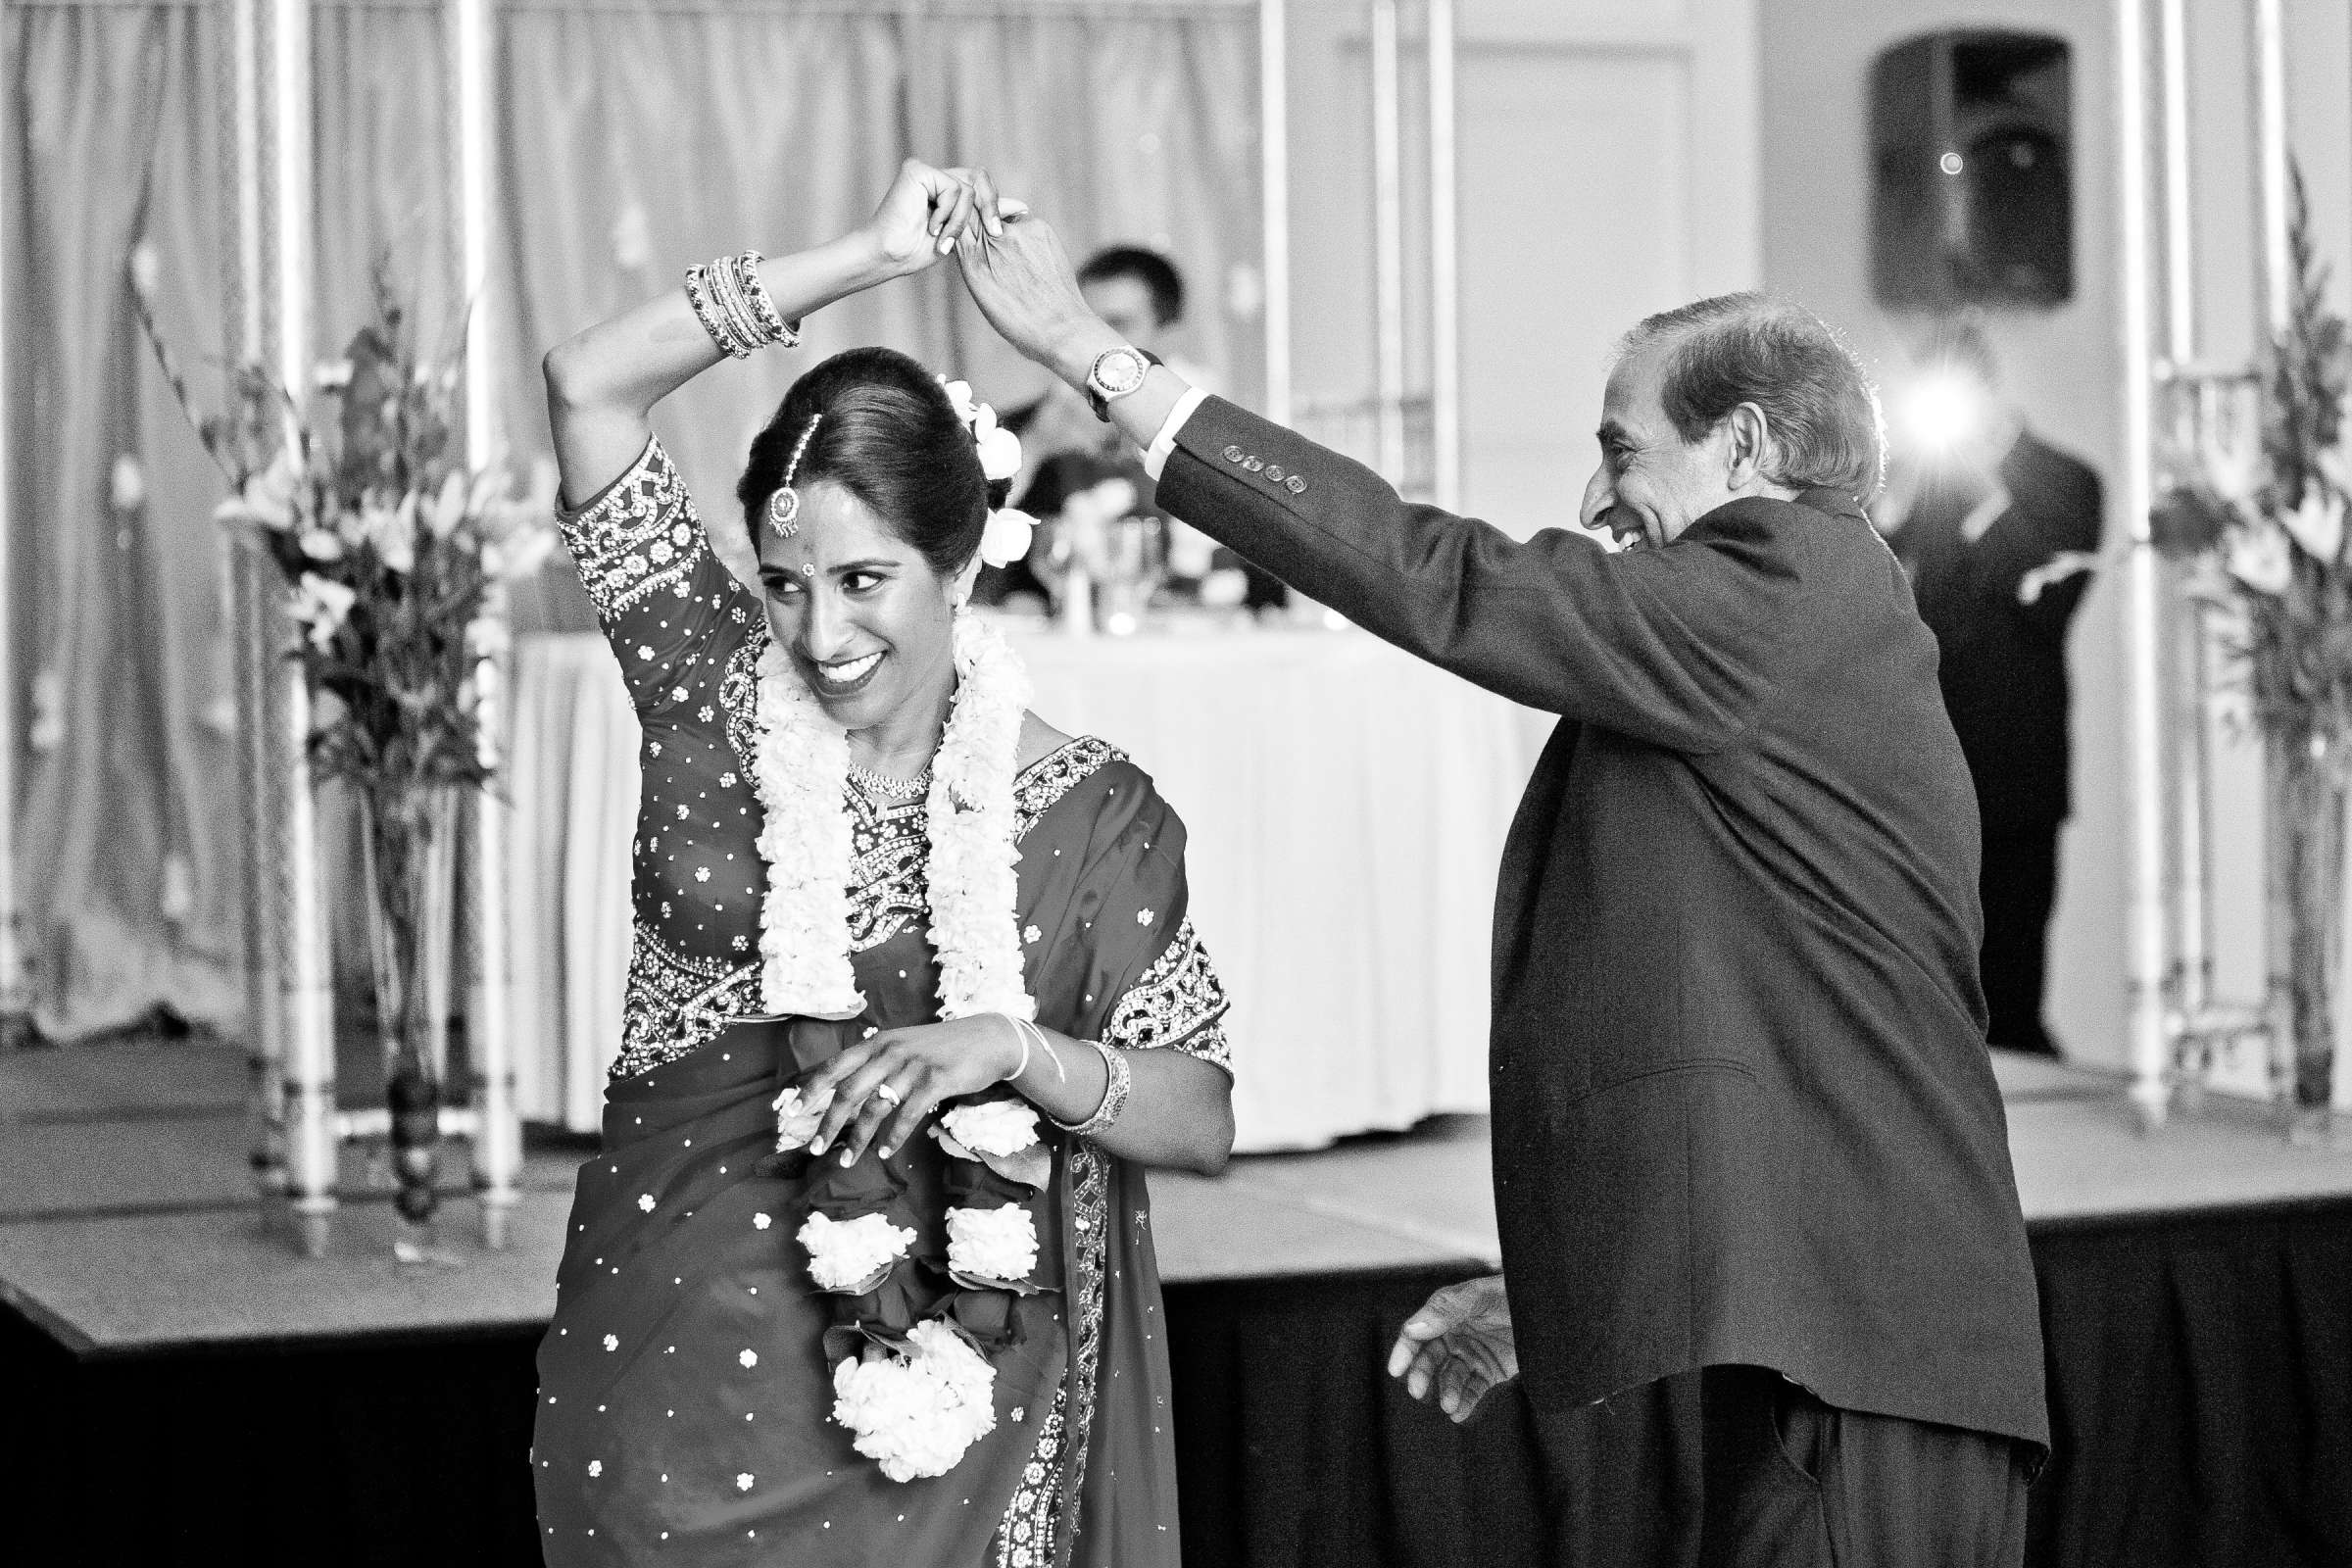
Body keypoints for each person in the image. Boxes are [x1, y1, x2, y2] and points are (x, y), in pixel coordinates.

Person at [956, 209, 2046, 1565]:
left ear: (1748, 448)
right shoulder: (1767, 635)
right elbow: (1737, 1007)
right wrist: (1569, 1287)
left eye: (1622, 450)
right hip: (1828, 1332)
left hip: (1866, 1344)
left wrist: (1090, 355)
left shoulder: (1787, 581)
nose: (1596, 501)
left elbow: (1441, 576)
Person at [530, 159, 1236, 1568]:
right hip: (663, 1364)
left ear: (962, 564)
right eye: (786, 583)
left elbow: (1199, 1115)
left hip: (946, 1406)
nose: (817, 631)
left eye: (865, 582)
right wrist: (856, 260)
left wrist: (1012, 1052)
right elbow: (588, 382)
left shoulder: (1090, 812)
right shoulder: (704, 683)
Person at [1879, 318, 2103, 1057]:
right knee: (1920, 989)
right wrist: (1892, 498)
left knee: (2008, 987)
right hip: (1919, 774)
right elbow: (1874, 596)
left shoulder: (2064, 480)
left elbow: (2052, 604)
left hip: (2014, 776)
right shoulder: (1917, 487)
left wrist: (1981, 488)